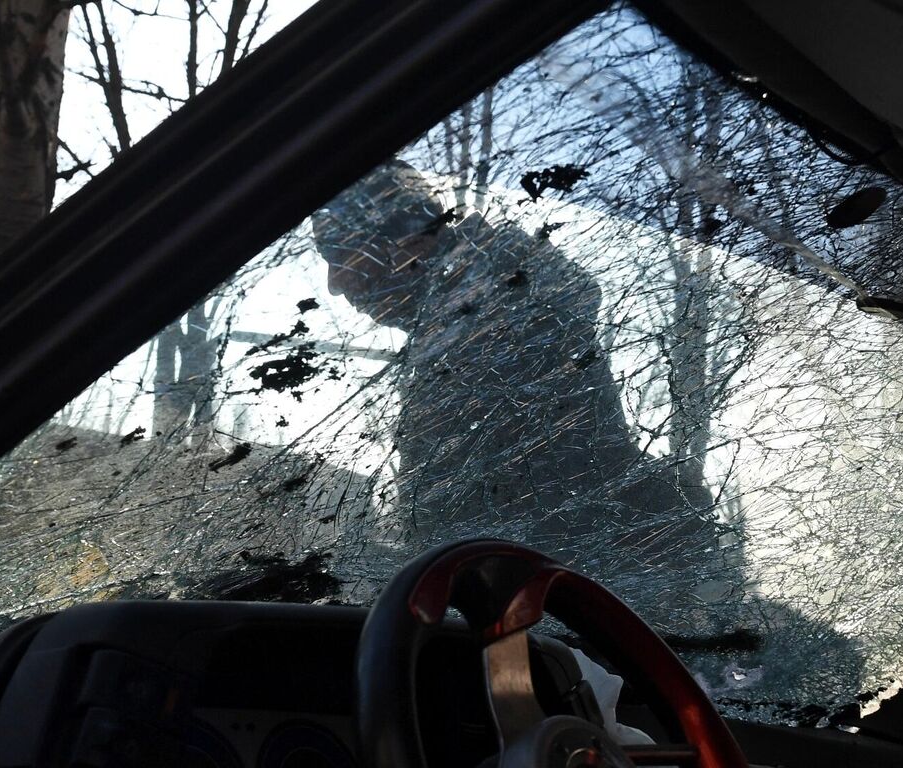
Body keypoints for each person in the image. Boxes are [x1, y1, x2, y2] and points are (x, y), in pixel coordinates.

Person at [311, 161, 737, 628]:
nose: (335, 283)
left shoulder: (495, 324)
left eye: (341, 254)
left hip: (552, 628)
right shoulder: (470, 315)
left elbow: (507, 515)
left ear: (408, 239)